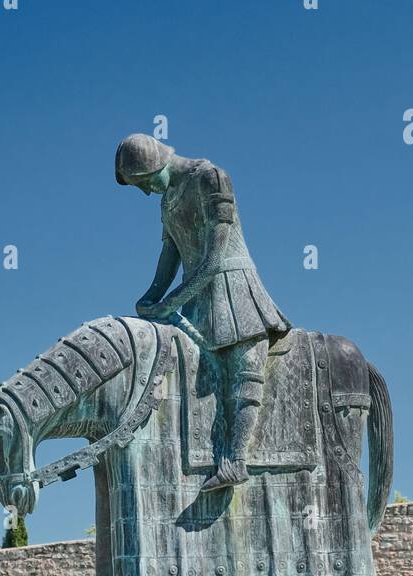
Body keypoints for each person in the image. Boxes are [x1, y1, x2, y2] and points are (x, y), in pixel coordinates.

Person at [115, 133, 291, 490]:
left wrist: (172, 300)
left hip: (233, 288)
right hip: (195, 297)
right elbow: (170, 255)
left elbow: (215, 258)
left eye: (146, 182)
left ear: (157, 163)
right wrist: (150, 296)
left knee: (245, 366)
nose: (147, 191)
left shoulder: (210, 178)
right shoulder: (167, 202)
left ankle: (237, 460)